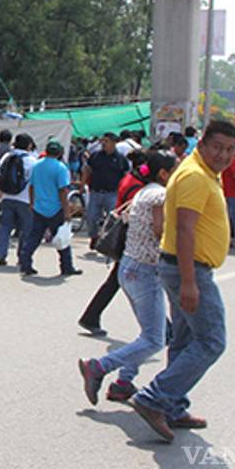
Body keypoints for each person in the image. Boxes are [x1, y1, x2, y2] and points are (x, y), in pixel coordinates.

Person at [128, 120, 235, 443]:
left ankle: (172, 406)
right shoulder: (194, 176)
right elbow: (185, 229)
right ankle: (154, 397)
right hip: (189, 269)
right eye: (218, 147)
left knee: (184, 340)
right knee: (211, 341)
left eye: (230, 150)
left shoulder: (200, 171)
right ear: (202, 143)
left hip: (184, 267)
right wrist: (190, 282)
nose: (223, 155)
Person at [79, 150, 177, 405]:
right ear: (164, 173)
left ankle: (124, 382)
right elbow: (160, 231)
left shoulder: (144, 190)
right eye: (175, 170)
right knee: (156, 339)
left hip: (130, 267)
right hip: (145, 271)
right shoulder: (160, 195)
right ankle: (99, 367)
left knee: (152, 334)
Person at [78, 150, 148, 336]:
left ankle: (91, 316)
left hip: (128, 240)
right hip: (133, 241)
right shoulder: (138, 188)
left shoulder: (130, 180)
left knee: (119, 282)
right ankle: (164, 330)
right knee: (143, 287)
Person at [22, 140, 82, 277]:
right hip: (56, 209)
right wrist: (67, 212)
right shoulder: (60, 168)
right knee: (62, 239)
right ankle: (67, 267)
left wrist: (32, 203)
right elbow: (63, 191)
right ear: (60, 153)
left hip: (39, 207)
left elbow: (31, 186)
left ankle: (25, 264)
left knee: (33, 238)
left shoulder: (37, 165)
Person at [0, 134, 37, 267]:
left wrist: (0, 193)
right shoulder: (32, 160)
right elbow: (33, 184)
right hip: (25, 199)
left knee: (5, 227)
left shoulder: (6, 157)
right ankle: (22, 256)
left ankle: (1, 254)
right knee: (26, 229)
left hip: (7, 197)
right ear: (29, 145)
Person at [84, 133, 129, 237]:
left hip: (112, 194)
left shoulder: (121, 159)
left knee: (112, 220)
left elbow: (125, 175)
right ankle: (94, 236)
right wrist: (83, 184)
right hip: (96, 192)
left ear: (114, 143)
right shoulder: (95, 156)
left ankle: (107, 241)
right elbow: (87, 169)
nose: (103, 144)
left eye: (106, 141)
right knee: (91, 218)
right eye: (102, 141)